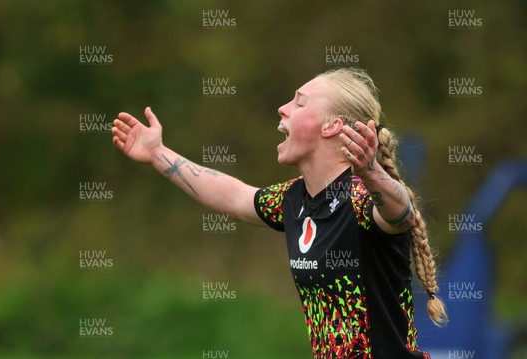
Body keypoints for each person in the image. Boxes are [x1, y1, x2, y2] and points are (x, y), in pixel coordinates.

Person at [111, 67, 448, 359]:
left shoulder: (363, 198)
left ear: (331, 126)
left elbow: (400, 213)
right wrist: (157, 153)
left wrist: (374, 175)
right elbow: (235, 198)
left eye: (299, 102)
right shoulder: (294, 199)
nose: (283, 108)